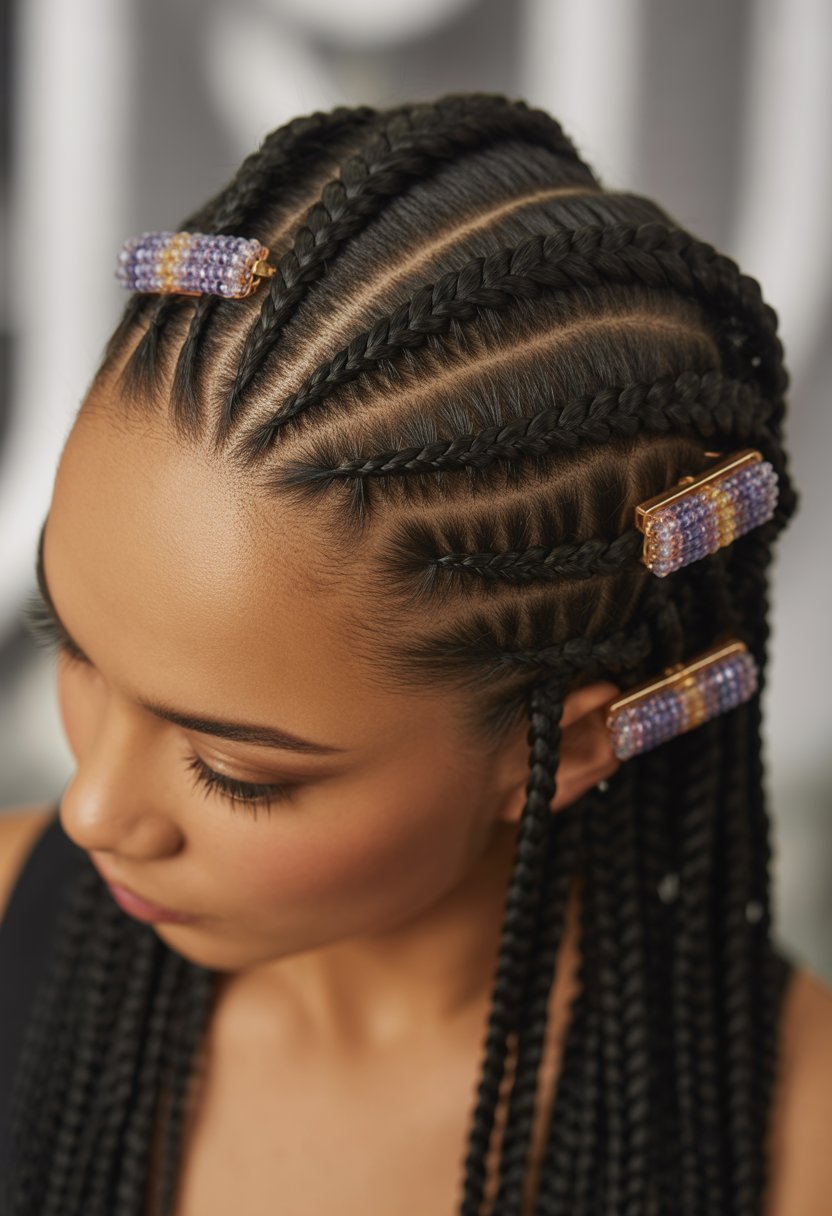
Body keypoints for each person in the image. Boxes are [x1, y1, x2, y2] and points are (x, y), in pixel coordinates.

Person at [0, 92, 830, 1216]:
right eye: (78, 650)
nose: (91, 808)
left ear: (574, 743)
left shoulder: (790, 1143)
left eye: (233, 769)